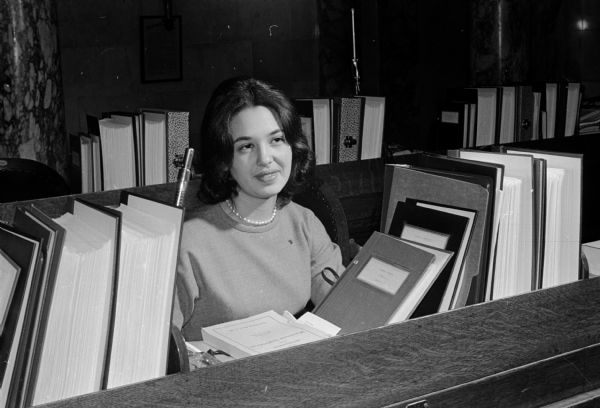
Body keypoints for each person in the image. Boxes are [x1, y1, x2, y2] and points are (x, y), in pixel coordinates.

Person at [173, 77, 343, 341]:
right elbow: (159, 347)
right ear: (224, 160)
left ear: (293, 147)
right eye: (246, 146)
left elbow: (344, 309)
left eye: (276, 140)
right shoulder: (188, 244)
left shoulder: (304, 223)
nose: (265, 159)